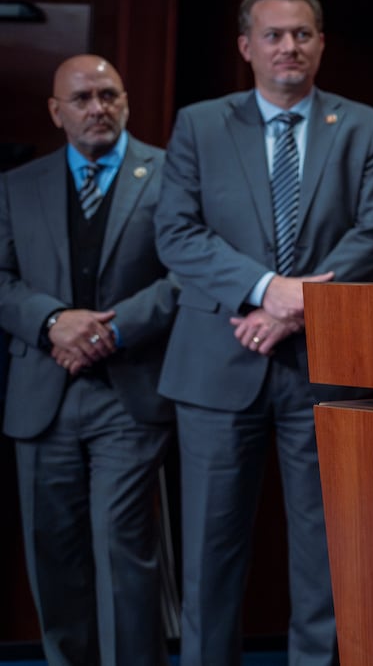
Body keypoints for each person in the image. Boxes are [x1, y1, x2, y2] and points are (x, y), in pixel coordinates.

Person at [155, 0, 373, 666]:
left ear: (320, 44)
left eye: (302, 34)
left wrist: (295, 309)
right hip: (216, 365)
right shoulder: (199, 125)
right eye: (273, 35)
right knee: (210, 553)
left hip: (322, 367)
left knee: (323, 554)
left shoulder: (363, 126)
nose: (288, 46)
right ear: (246, 47)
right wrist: (270, 290)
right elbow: (175, 232)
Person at [0, 55, 177, 666]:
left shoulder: (170, 173)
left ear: (126, 101)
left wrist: (113, 330)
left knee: (124, 551)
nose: (97, 108)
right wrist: (54, 321)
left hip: (129, 393)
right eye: (82, 98)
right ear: (56, 111)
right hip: (41, 397)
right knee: (53, 554)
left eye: (109, 95)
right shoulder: (17, 184)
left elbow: (186, 272)